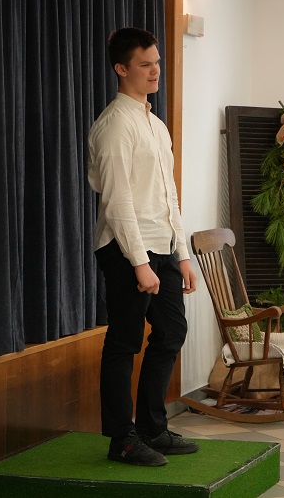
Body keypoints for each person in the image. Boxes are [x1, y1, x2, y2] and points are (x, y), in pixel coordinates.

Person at [87, 27, 198, 467]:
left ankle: (153, 427)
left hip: (161, 244)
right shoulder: (115, 125)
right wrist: (139, 263)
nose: (155, 71)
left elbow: (168, 194)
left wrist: (182, 253)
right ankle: (122, 439)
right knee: (125, 341)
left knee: (171, 332)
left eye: (157, 63)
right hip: (125, 247)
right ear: (121, 68)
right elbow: (117, 201)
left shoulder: (155, 123)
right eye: (145, 64)